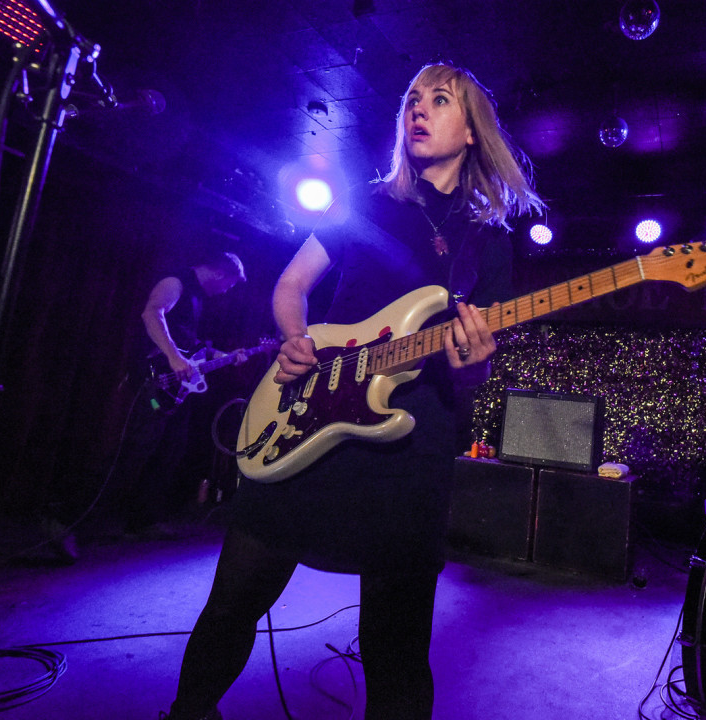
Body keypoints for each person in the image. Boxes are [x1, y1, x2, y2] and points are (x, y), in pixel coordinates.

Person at [163, 63, 544, 720]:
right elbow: (290, 288)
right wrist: (294, 339)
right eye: (411, 100)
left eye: (439, 99)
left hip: (411, 447)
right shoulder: (369, 205)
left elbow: (474, 364)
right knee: (231, 603)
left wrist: (477, 365)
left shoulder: (491, 239)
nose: (417, 110)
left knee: (396, 649)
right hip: (310, 413)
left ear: (473, 128)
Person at [114, 250, 248, 537]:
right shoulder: (176, 282)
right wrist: (174, 357)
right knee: (133, 449)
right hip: (152, 383)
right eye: (229, 284)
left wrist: (226, 355)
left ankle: (142, 520)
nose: (226, 291)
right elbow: (152, 313)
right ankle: (69, 519)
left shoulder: (197, 299)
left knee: (168, 451)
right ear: (219, 273)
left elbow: (192, 347)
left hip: (173, 392)